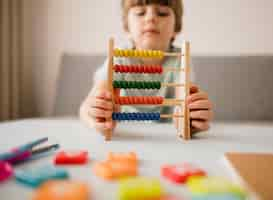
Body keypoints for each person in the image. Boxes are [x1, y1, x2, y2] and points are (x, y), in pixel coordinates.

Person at [79, 0, 213, 137]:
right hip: (124, 137)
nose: (150, 18)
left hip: (166, 140)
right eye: (140, 13)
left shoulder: (180, 59)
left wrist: (191, 117)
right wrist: (94, 114)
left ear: (176, 29)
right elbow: (88, 105)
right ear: (127, 28)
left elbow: (183, 100)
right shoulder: (119, 58)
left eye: (162, 13)